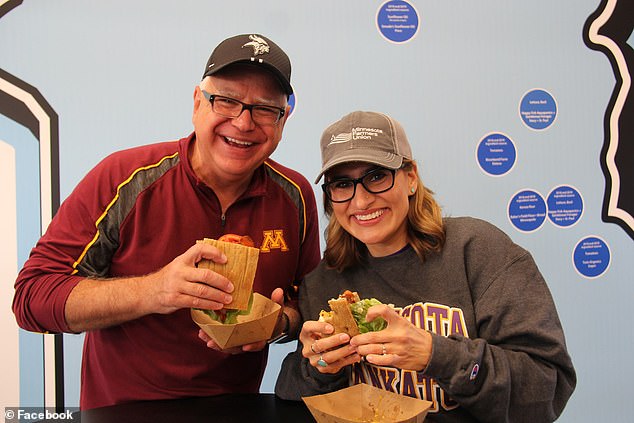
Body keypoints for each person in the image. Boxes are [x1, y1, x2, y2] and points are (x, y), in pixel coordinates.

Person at [12, 33, 321, 409]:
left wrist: (278, 325)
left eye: (264, 109)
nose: (243, 123)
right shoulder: (124, 178)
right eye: (226, 101)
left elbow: (306, 306)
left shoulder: (296, 195)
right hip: (121, 412)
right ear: (197, 103)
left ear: (283, 119)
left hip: (235, 411)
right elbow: (32, 297)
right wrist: (155, 290)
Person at [275, 111, 576, 422]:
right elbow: (291, 391)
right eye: (342, 184)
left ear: (411, 177)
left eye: (377, 176)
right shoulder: (326, 280)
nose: (361, 201)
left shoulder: (479, 251)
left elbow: (547, 387)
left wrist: (435, 354)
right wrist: (322, 368)